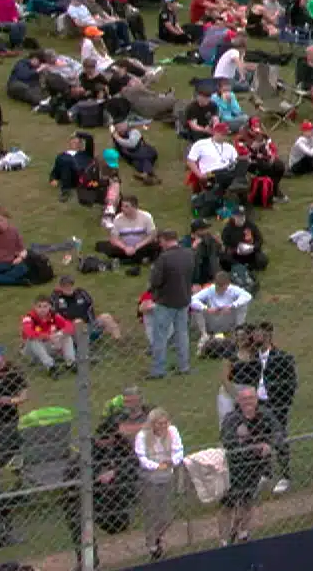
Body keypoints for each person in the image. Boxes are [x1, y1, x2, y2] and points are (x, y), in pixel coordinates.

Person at [218, 387, 279, 546]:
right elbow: (229, 441)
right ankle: (224, 540)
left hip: (256, 468)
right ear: (238, 401)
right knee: (228, 505)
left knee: (248, 502)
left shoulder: (265, 415)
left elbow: (278, 433)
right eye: (244, 399)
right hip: (234, 469)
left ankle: (243, 533)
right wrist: (255, 447)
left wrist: (270, 444)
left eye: (251, 398)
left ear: (256, 399)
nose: (248, 402)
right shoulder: (231, 419)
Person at [248, 323, 298, 493]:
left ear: (268, 335)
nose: (255, 337)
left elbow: (291, 383)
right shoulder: (252, 358)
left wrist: (283, 403)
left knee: (279, 438)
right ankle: (265, 472)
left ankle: (285, 475)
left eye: (259, 334)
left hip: (275, 404)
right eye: (254, 334)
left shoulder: (282, 357)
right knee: (259, 437)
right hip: (257, 403)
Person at [134, 408, 185, 561]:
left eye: (165, 423)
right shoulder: (142, 436)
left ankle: (157, 537)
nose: (162, 426)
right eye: (159, 424)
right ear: (152, 424)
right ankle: (152, 546)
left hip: (167, 476)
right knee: (152, 512)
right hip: (149, 478)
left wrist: (172, 461)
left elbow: (179, 450)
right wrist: (157, 466)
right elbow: (142, 458)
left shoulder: (172, 431)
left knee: (167, 515)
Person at [146, 230, 196, 378]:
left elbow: (156, 281)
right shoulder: (189, 254)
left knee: (160, 337)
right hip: (184, 299)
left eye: (160, 241)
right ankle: (184, 366)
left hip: (165, 301)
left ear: (165, 240)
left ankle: (158, 370)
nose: (160, 244)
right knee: (182, 335)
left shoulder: (164, 258)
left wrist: (153, 290)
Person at [52, 274, 125, 345]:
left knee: (106, 316)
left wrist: (91, 321)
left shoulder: (81, 293)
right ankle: (83, 345)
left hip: (89, 325)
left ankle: (118, 339)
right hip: (72, 331)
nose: (68, 287)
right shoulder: (57, 299)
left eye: (70, 285)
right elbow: (56, 317)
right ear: (61, 287)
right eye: (65, 286)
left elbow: (90, 305)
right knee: (77, 323)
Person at [21, 294, 77, 376]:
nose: (42, 309)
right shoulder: (29, 318)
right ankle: (50, 367)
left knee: (66, 336)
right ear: (34, 307)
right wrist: (48, 336)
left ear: (49, 307)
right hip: (32, 351)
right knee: (33, 339)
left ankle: (70, 362)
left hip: (48, 346)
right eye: (39, 306)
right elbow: (28, 332)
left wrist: (59, 334)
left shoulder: (54, 315)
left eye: (45, 306)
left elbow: (69, 326)